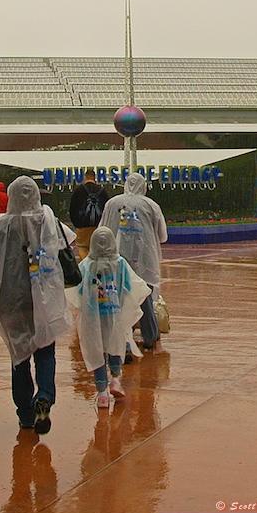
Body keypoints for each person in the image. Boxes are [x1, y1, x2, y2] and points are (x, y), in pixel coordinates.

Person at [0, 175, 75, 434]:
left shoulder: (0, 228)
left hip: (10, 302)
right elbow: (66, 251)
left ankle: (25, 414)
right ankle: (44, 394)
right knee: (45, 351)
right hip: (43, 298)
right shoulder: (48, 222)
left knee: (19, 357)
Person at [65, 226, 151, 409]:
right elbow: (130, 287)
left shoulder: (86, 265)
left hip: (92, 318)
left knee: (96, 350)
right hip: (114, 315)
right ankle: (115, 379)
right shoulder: (120, 264)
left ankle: (102, 393)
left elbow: (77, 289)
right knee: (115, 345)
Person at [99, 172, 168, 355]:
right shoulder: (151, 205)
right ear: (143, 186)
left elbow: (102, 231)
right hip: (145, 261)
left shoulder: (112, 203)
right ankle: (150, 338)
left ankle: (125, 341)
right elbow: (162, 235)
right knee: (144, 297)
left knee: (120, 299)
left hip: (117, 260)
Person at [69, 169, 109, 261]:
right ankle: (95, 270)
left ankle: (85, 269)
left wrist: (77, 225)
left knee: (82, 248)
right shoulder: (102, 191)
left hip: (82, 227)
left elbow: (72, 209)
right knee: (97, 249)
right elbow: (106, 208)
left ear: (85, 177)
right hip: (98, 226)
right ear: (95, 178)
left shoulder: (78, 190)